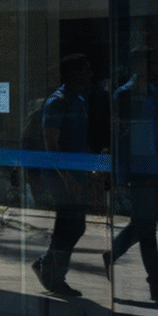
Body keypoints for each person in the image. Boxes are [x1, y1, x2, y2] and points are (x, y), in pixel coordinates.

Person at [31, 54, 93, 298]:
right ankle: (54, 275)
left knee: (70, 227)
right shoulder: (57, 103)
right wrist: (68, 180)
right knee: (71, 226)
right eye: (85, 71)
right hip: (61, 177)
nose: (90, 75)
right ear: (74, 74)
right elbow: (51, 144)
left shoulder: (78, 100)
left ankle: (48, 267)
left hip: (78, 173)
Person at [106, 47, 158, 299]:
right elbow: (121, 138)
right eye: (144, 63)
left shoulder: (154, 94)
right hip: (139, 170)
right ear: (135, 66)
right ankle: (113, 253)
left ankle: (155, 284)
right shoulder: (124, 95)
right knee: (145, 225)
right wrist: (121, 175)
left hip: (154, 167)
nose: (149, 68)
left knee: (147, 227)